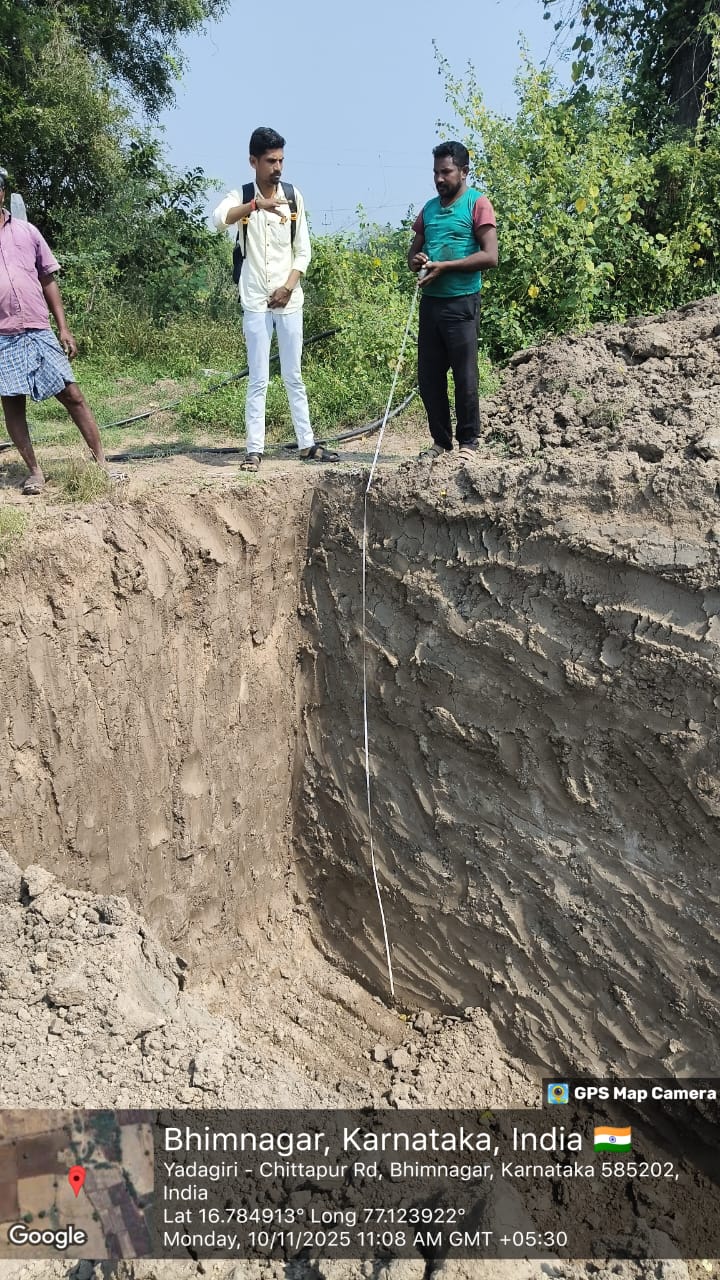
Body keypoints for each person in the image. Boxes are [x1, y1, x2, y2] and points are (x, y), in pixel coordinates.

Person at [214, 126, 339, 473]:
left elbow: (303, 251)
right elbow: (218, 220)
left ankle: (306, 444)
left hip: (289, 301)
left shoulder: (294, 196)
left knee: (293, 375)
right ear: (253, 161)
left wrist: (288, 287)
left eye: (281, 160)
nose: (277, 167)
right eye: (270, 161)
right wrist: (255, 205)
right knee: (258, 378)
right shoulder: (241, 195)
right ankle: (254, 450)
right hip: (255, 300)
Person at [0, 173, 117, 495]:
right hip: (3, 335)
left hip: (38, 328)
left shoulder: (27, 232)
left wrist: (63, 328)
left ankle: (102, 464)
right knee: (12, 403)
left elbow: (48, 280)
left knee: (72, 395)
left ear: (2, 193)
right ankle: (35, 473)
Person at [408, 141, 498, 460]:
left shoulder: (477, 203)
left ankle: (469, 443)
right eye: (436, 172)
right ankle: (441, 442)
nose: (439, 179)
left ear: (463, 171)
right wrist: (418, 260)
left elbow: (490, 256)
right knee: (429, 378)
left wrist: (446, 266)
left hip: (462, 303)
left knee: (465, 377)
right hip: (431, 303)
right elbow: (412, 256)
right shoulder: (429, 209)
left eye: (446, 172)